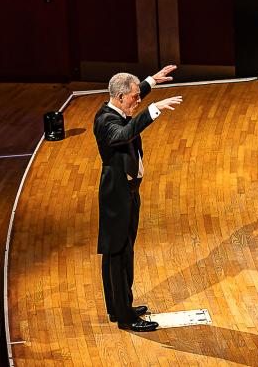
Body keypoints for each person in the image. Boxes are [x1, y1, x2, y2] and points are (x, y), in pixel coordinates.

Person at [96, 66, 182, 332]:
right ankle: (126, 317)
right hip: (117, 194)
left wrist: (150, 82)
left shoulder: (118, 107)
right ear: (120, 97)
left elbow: (134, 97)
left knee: (120, 251)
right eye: (135, 97)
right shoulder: (106, 121)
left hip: (126, 191)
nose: (138, 100)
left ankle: (118, 307)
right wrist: (153, 110)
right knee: (119, 254)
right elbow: (125, 133)